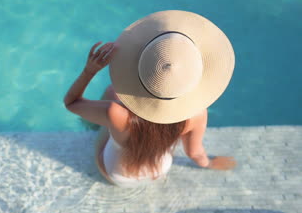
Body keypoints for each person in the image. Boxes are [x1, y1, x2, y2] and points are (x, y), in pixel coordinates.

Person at [64, 10, 237, 188]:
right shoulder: (197, 115)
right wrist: (209, 163)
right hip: (158, 171)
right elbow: (195, 153)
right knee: (116, 105)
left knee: (111, 93)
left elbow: (71, 103)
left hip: (117, 175)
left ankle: (92, 124)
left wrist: (89, 71)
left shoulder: (115, 112)